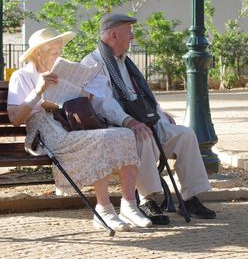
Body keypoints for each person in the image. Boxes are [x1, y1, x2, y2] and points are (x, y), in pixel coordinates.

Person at [7, 28, 153, 232]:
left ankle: (129, 205)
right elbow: (15, 118)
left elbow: (84, 99)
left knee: (124, 134)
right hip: (45, 132)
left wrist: (81, 92)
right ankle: (104, 209)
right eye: (53, 52)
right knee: (99, 139)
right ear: (38, 53)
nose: (58, 55)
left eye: (59, 50)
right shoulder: (21, 76)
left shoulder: (60, 71)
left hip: (70, 123)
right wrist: (38, 90)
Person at [82, 13, 217, 222]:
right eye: (129, 32)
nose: (132, 37)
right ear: (113, 35)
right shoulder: (93, 63)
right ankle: (148, 199)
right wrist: (129, 121)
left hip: (145, 120)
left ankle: (190, 198)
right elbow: (103, 103)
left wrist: (160, 114)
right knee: (142, 136)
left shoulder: (125, 62)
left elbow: (143, 96)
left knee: (185, 135)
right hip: (119, 126)